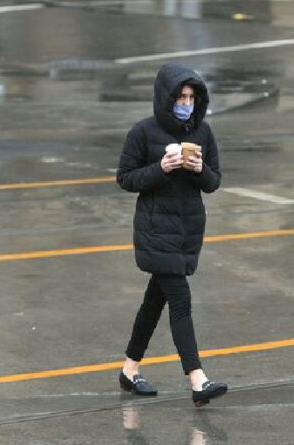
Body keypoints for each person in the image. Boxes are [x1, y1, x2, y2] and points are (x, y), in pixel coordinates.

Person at [116, 63, 227, 407]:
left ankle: (129, 370)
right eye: (180, 96)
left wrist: (199, 169)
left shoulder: (202, 133)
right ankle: (198, 380)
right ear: (166, 98)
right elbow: (125, 177)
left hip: (186, 233)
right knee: (180, 300)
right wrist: (160, 169)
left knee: (154, 302)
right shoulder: (143, 132)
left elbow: (214, 182)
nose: (186, 102)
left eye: (192, 97)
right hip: (155, 231)